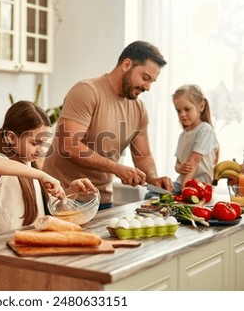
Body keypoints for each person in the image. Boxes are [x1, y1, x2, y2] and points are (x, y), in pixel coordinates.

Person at [42, 41, 173, 210]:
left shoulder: (139, 109)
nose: (147, 87)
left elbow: (143, 155)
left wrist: (153, 178)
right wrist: (117, 168)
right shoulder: (87, 91)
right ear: (126, 64)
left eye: (152, 82)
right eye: (145, 78)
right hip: (63, 196)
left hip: (101, 200)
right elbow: (69, 145)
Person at [0, 100, 97, 235]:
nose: (40, 149)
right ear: (11, 138)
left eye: (43, 143)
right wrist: (42, 175)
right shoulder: (1, 167)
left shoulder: (31, 167)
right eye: (35, 143)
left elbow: (50, 210)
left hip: (28, 245)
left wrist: (70, 192)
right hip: (1, 249)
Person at [171, 84, 219, 192]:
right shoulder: (183, 135)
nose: (182, 114)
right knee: (152, 193)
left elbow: (195, 160)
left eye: (187, 109)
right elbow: (177, 165)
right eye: (178, 110)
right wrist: (181, 168)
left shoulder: (205, 130)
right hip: (181, 183)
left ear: (201, 106)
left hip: (199, 185)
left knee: (153, 196)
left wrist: (184, 189)